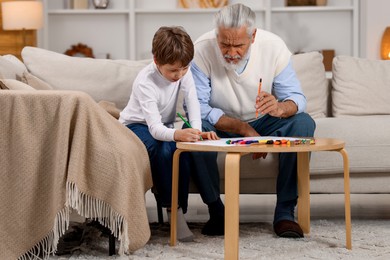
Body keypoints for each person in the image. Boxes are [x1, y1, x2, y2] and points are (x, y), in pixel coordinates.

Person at [189, 3, 316, 238]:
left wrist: (280, 107)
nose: (231, 52)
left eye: (238, 45)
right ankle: (217, 211)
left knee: (304, 124)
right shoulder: (202, 49)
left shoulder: (274, 47)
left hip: (263, 120)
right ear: (216, 35)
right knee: (195, 129)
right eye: (224, 44)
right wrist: (242, 128)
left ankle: (285, 212)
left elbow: (297, 99)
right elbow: (198, 107)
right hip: (222, 124)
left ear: (253, 36)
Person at [119, 26, 219, 242]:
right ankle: (173, 210)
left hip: (162, 124)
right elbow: (154, 129)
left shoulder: (184, 69)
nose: (179, 74)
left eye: (184, 68)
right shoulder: (145, 81)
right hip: (137, 125)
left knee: (174, 149)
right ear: (156, 60)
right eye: (173, 70)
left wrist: (197, 131)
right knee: (158, 147)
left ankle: (177, 207)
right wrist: (177, 134)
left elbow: (192, 101)